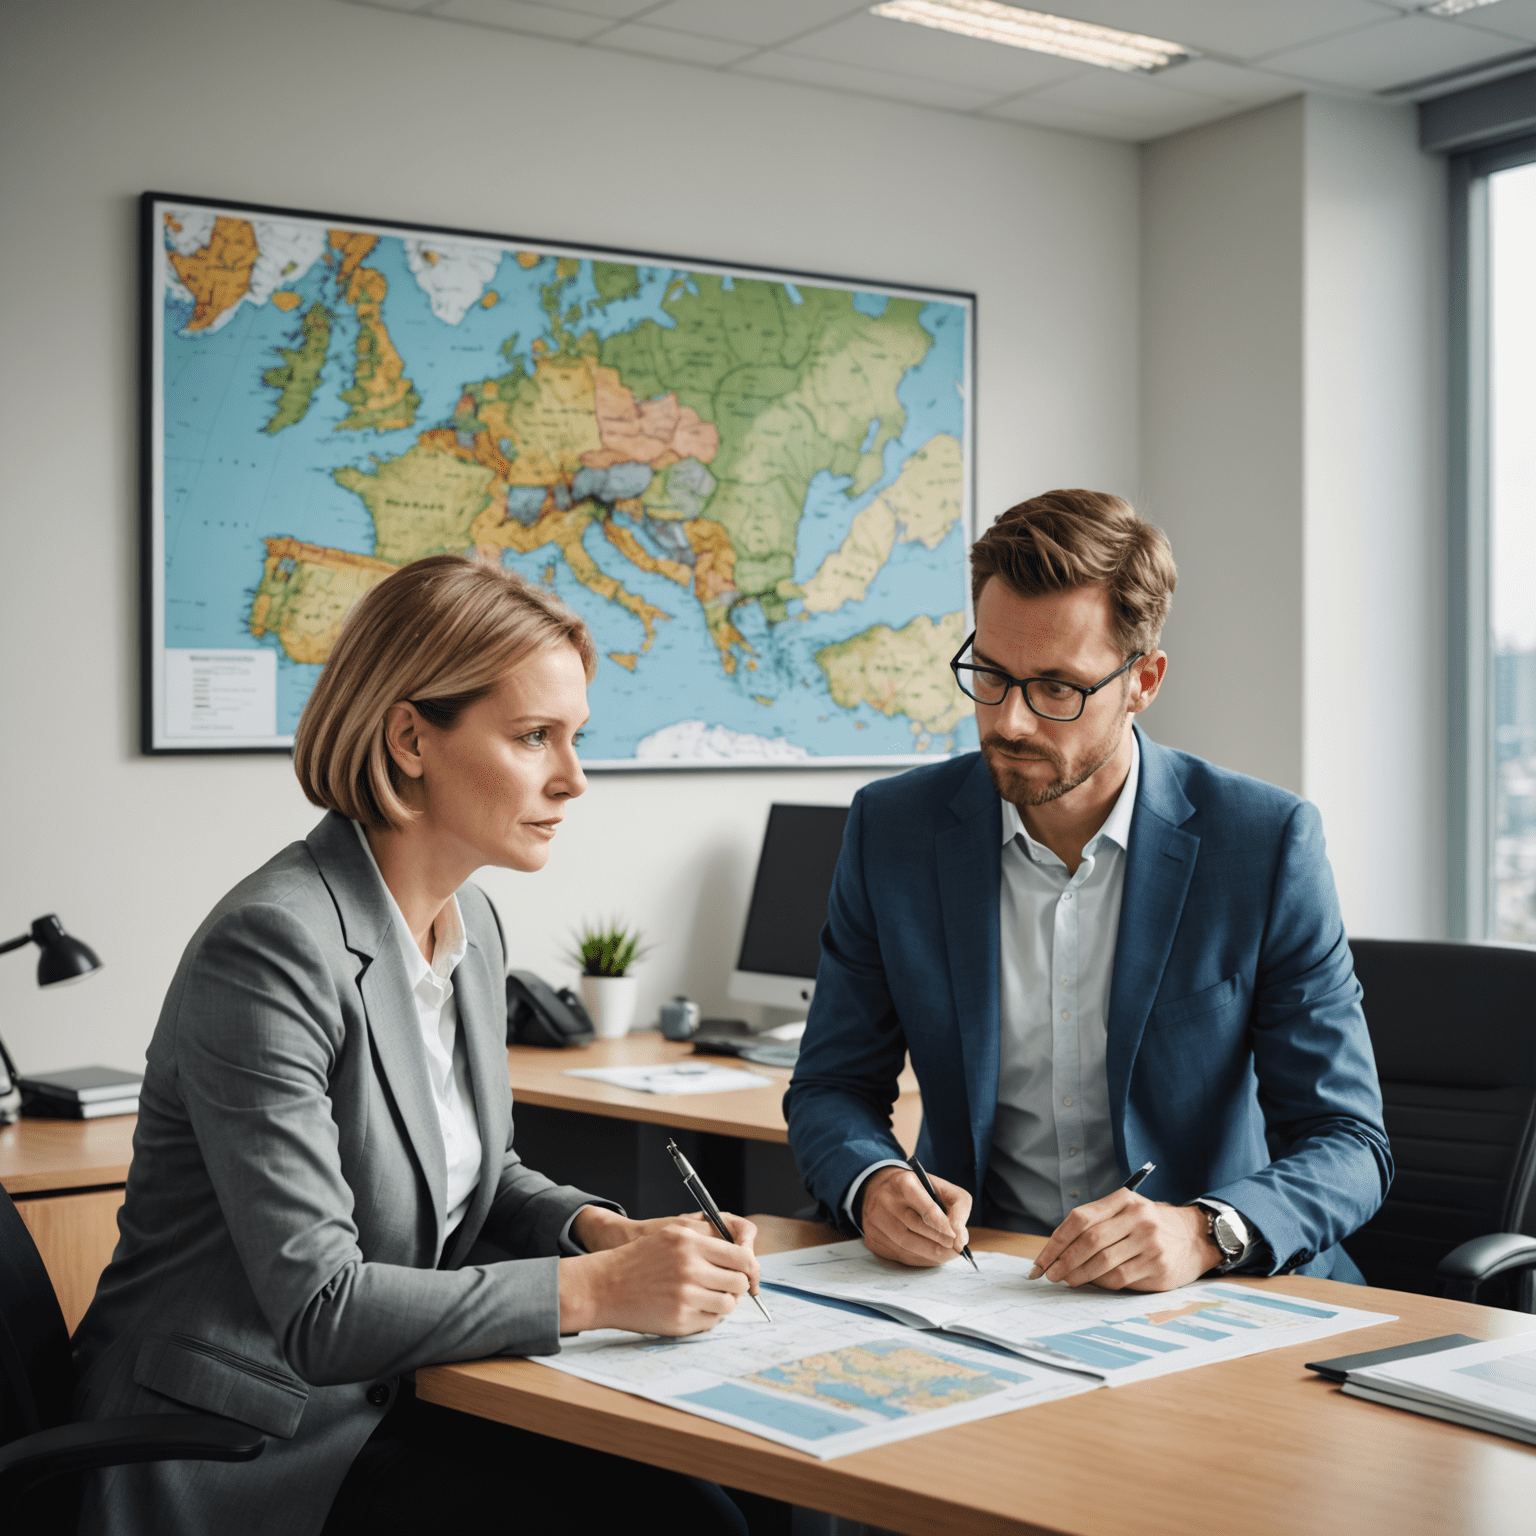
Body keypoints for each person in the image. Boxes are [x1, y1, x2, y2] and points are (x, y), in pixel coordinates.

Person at [71, 556, 761, 1536]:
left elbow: (477, 1172)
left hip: (388, 1402)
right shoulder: (270, 948)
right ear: (409, 739)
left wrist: (604, 1234)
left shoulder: (467, 923)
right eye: (534, 738)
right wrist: (599, 1290)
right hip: (243, 1445)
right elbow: (322, 1308)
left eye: (574, 739)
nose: (573, 778)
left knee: (701, 1510)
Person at [784, 489, 1392, 1292]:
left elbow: (1349, 1143)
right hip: (981, 1287)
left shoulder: (1264, 843)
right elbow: (831, 1088)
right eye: (991, 676)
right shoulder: (892, 829)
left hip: (1215, 1297)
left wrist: (1204, 1231)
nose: (1012, 722)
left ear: (1143, 681)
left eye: (1058, 689)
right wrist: (873, 1184)